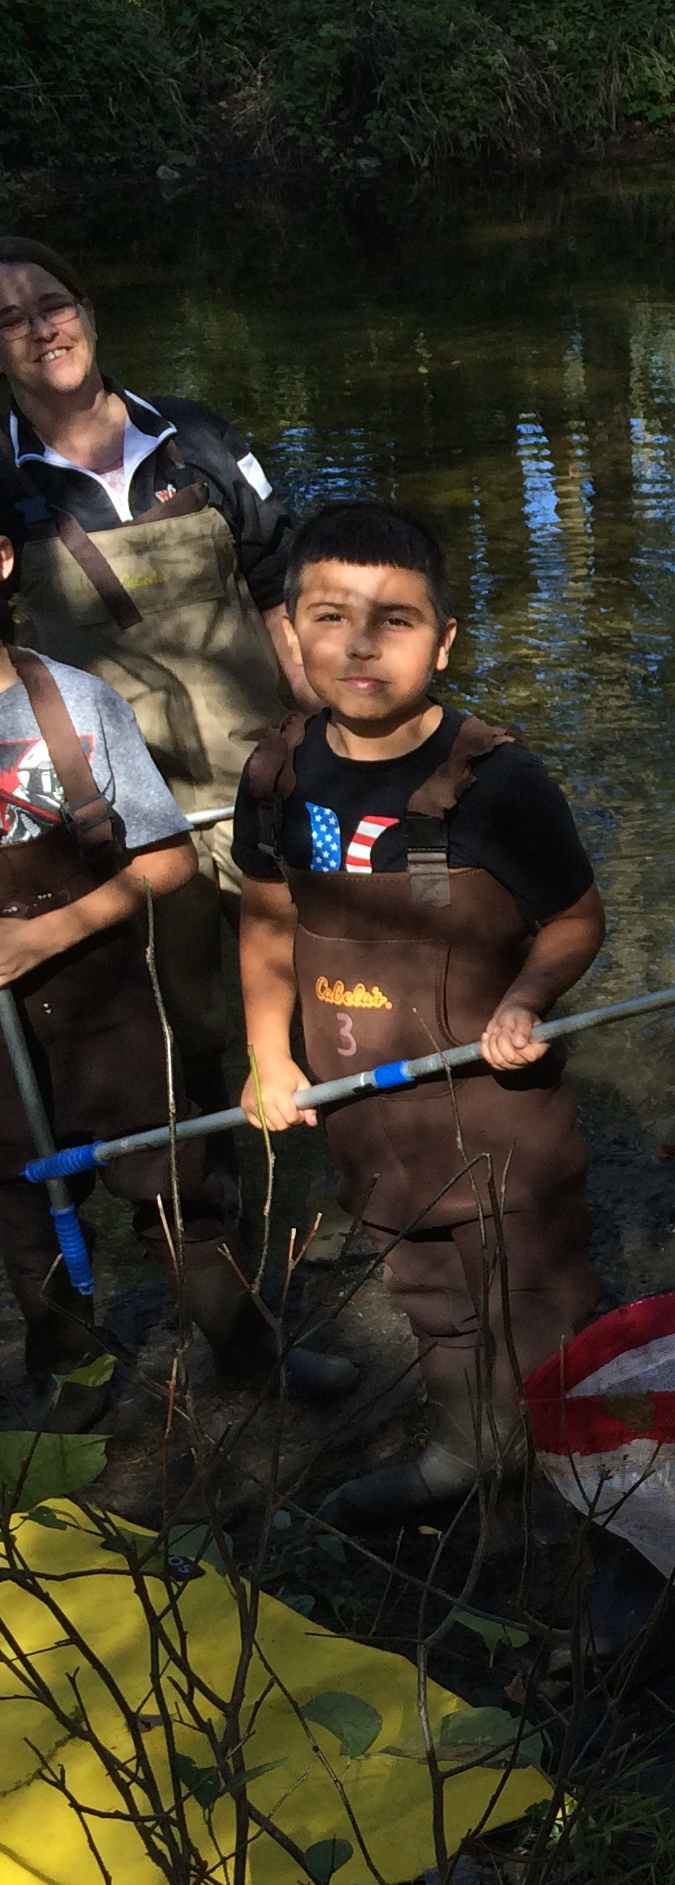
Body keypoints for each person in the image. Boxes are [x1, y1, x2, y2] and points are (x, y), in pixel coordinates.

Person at [237, 504, 605, 1537]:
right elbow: (267, 916)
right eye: (329, 616)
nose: (359, 644)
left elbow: (577, 919)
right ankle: (465, 1453)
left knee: (535, 1307)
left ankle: (583, 1499)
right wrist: (268, 1057)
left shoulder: (500, 782)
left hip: (501, 1122)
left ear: (442, 641)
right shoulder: (276, 772)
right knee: (429, 1294)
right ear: (291, 632)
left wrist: (530, 996)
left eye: (394, 620)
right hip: (368, 1113)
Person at [0, 536, 351, 1430]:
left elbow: (165, 862)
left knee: (183, 1189)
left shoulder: (77, 704)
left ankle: (246, 1352)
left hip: (109, 1020)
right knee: (28, 1217)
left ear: (4, 559)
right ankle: (69, 1380)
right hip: (4, 1059)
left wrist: (47, 932)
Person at [0, 237, 314, 1163]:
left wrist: (325, 743)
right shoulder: (1, 484)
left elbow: (277, 595)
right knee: (184, 1030)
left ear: (88, 308)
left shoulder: (200, 439)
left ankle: (353, 1176)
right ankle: (215, 1211)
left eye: (52, 303)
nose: (40, 329)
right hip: (130, 824)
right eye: (9, 320)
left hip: (262, 778)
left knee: (319, 981)